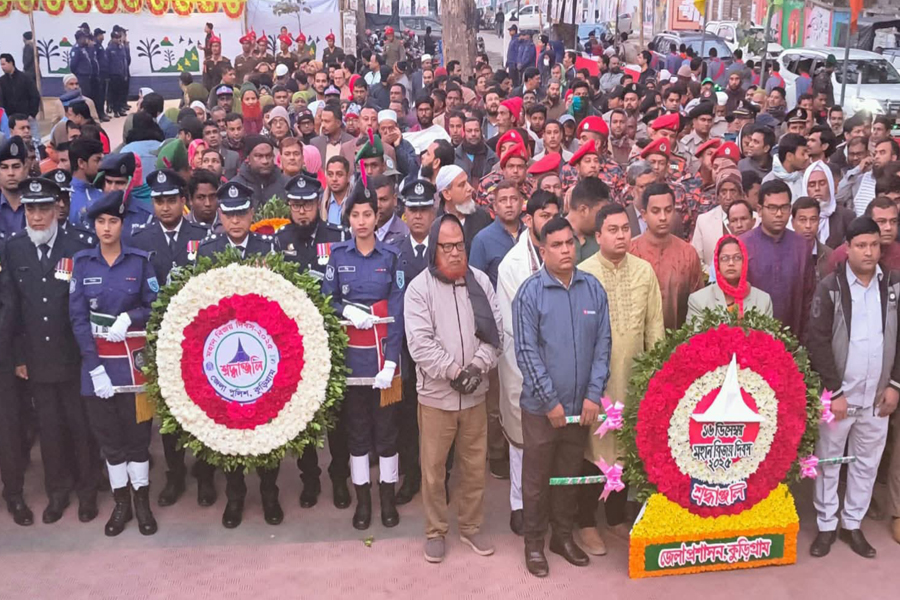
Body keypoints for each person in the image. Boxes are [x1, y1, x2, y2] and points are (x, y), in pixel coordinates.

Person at [513, 216, 611, 578]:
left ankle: (563, 537)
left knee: (569, 475)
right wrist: (549, 401)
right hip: (542, 410)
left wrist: (593, 396)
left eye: (570, 243)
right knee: (538, 480)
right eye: (556, 245)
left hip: (581, 407)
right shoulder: (530, 293)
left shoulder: (592, 289)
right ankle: (535, 544)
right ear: (543, 250)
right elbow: (526, 351)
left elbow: (603, 345)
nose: (566, 250)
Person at [0, 176, 99, 526]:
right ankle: (57, 493)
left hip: (74, 355)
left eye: (43, 208)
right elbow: (11, 307)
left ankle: (88, 492)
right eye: (30, 209)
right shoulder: (14, 247)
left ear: (57, 207)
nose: (37, 217)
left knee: (81, 426)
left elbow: (87, 303)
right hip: (36, 359)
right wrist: (18, 358)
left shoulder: (79, 243)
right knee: (50, 429)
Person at [404, 213, 502, 563]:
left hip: (475, 395)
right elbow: (420, 344)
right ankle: (435, 531)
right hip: (436, 398)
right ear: (434, 250)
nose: (455, 253)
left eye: (460, 245)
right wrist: (453, 372)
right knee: (433, 471)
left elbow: (496, 332)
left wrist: (477, 367)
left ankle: (471, 527)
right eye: (447, 247)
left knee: (475, 467)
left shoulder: (480, 283)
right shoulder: (419, 289)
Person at [808, 216, 900, 559]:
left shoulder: (892, 285)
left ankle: (852, 524)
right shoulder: (830, 287)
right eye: (861, 245)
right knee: (830, 460)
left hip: (878, 397)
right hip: (840, 397)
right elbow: (816, 341)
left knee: (866, 463)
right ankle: (827, 525)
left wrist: (894, 385)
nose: (869, 252)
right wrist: (834, 392)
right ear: (847, 249)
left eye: (875, 245)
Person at [68, 190, 159, 536]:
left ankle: (142, 502)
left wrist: (131, 317)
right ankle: (121, 502)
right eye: (101, 221)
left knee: (138, 438)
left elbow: (155, 304)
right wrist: (93, 368)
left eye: (113, 221)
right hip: (98, 370)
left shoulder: (139, 261)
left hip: (134, 368)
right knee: (110, 440)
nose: (106, 228)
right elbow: (77, 319)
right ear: (93, 225)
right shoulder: (83, 263)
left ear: (123, 224)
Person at [575, 203, 664, 553]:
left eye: (625, 228)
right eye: (612, 230)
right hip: (594, 384)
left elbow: (655, 328)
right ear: (597, 236)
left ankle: (615, 518)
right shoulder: (583, 273)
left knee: (627, 447)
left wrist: (655, 379)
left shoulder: (644, 272)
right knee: (591, 448)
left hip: (633, 379)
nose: (621, 235)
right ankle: (585, 522)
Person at [195, 181, 281, 528]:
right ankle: (235, 495)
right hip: (223, 353)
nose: (234, 221)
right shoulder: (208, 250)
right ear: (221, 215)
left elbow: (279, 294)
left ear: (251, 214)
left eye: (241, 214)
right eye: (228, 214)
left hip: (262, 350)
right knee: (230, 426)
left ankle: (270, 493)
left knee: (267, 422)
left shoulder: (267, 245)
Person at [321, 182, 405, 531]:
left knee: (386, 434)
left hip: (384, 362)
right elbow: (326, 300)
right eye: (354, 215)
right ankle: (363, 501)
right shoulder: (338, 256)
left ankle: (387, 499)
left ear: (377, 216)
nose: (361, 221)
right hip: (351, 364)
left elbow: (399, 311)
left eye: (367, 214)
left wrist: (391, 361)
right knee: (356, 433)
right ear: (346, 217)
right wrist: (346, 311)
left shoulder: (391, 257)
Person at [128, 169, 215, 506]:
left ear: (184, 201)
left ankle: (206, 474)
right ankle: (175, 475)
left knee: (205, 407)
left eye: (171, 200)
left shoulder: (202, 234)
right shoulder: (140, 239)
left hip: (197, 338)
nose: (165, 207)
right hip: (161, 339)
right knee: (170, 414)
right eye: (159, 201)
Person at [276, 173, 353, 508]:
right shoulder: (280, 240)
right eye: (296, 205)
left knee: (337, 416)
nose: (303, 211)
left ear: (318, 204)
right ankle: (310, 478)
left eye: (308, 204)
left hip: (330, 339)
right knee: (302, 414)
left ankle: (339, 477)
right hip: (293, 343)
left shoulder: (337, 236)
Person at [496, 191, 561, 536]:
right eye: (543, 215)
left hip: (559, 362)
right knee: (522, 440)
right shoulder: (512, 265)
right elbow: (513, 325)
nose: (549, 221)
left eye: (554, 214)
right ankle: (519, 505)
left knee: (552, 439)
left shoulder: (565, 254)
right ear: (529, 219)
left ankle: (546, 505)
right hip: (521, 363)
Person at [393, 179, 439, 506]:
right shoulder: (395, 251)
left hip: (441, 349)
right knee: (408, 417)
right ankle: (411, 475)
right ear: (404, 212)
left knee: (441, 418)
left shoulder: (446, 248)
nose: (419, 216)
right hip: (406, 352)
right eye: (413, 209)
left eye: (424, 209)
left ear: (434, 210)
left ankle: (441, 478)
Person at [741, 179, 815, 342]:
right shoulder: (743, 245)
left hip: (792, 341)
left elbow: (809, 298)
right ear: (759, 210)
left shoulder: (802, 247)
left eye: (784, 208)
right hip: (750, 340)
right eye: (772, 208)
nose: (779, 214)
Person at [630, 183, 703, 330]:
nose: (663, 217)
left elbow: (698, 305)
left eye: (668, 210)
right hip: (637, 344)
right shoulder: (630, 251)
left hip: (679, 341)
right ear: (644, 215)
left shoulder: (688, 253)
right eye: (656, 211)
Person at [686, 235, 773, 321]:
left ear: (744, 262)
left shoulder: (763, 300)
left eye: (737, 258)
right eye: (725, 258)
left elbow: (768, 334)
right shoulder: (698, 300)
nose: (731, 263)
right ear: (717, 263)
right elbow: (696, 334)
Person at [691, 169, 746, 275]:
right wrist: (714, 275)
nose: (728, 197)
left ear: (741, 194)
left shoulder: (756, 219)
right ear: (717, 197)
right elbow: (696, 259)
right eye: (723, 192)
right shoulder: (703, 221)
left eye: (733, 191)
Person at [435, 165, 492, 251]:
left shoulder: (483, 218)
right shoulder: (435, 225)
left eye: (467, 182)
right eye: (462, 185)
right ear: (447, 194)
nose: (470, 188)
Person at [803, 160, 853, 249]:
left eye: (822, 183)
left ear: (830, 186)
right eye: (812, 185)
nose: (817, 188)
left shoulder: (847, 217)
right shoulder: (797, 217)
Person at [790, 196, 833, 283]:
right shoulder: (783, 253)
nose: (808, 226)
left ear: (818, 221)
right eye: (803, 220)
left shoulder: (830, 255)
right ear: (793, 223)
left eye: (813, 220)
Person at [567, 177, 609, 263]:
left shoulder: (603, 240)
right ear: (583, 210)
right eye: (600, 212)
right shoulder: (552, 236)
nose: (604, 218)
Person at [0, 55, 41, 128]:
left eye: (4, 64)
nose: (2, 67)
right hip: (10, 119)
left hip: (27, 118)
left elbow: (34, 96)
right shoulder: (2, 81)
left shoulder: (25, 78)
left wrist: (32, 114)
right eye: (1, 65)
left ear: (11, 63)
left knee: (33, 138)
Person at [0, 136, 28, 236]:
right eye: (4, 167)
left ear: (25, 168)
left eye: (16, 167)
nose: (11, 173)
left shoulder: (37, 205)